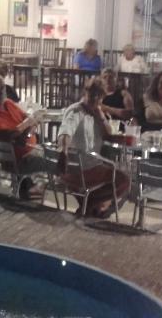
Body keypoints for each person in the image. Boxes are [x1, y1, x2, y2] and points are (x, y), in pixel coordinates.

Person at [56, 77, 131, 218]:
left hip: (85, 168)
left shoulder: (96, 113)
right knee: (124, 181)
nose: (95, 98)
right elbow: (65, 132)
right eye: (93, 94)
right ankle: (90, 206)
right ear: (85, 92)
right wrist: (63, 152)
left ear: (102, 97)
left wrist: (100, 116)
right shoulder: (76, 111)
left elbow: (108, 135)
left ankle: (89, 207)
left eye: (99, 96)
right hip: (80, 169)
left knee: (112, 180)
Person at [0, 75, 54, 198]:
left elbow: (29, 121)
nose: (1, 91)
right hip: (17, 161)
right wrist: (27, 124)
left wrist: (26, 133)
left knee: (60, 157)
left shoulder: (8, 103)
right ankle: (36, 187)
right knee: (61, 164)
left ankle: (30, 186)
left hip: (29, 151)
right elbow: (10, 134)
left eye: (2, 87)